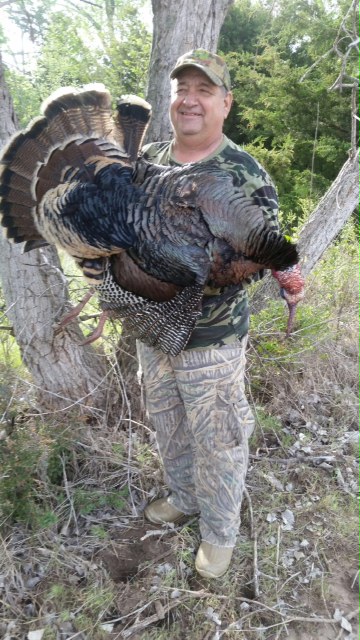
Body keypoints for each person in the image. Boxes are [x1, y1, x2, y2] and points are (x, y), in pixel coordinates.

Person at [137, 49, 304, 579]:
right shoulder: (148, 160)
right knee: (168, 425)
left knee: (220, 438)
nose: (190, 100)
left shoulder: (244, 172)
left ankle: (220, 533)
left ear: (224, 103)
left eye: (204, 91)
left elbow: (259, 256)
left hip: (211, 339)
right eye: (181, 88)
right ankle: (185, 497)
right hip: (153, 329)